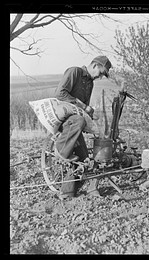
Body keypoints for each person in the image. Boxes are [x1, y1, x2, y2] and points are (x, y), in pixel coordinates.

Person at [54, 55, 112, 197]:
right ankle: (60, 151)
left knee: (84, 159)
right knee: (79, 120)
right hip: (64, 119)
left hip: (76, 122)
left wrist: (93, 120)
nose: (100, 77)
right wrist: (83, 106)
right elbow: (60, 93)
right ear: (94, 66)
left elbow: (84, 109)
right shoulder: (74, 72)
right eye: (101, 72)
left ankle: (67, 192)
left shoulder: (90, 83)